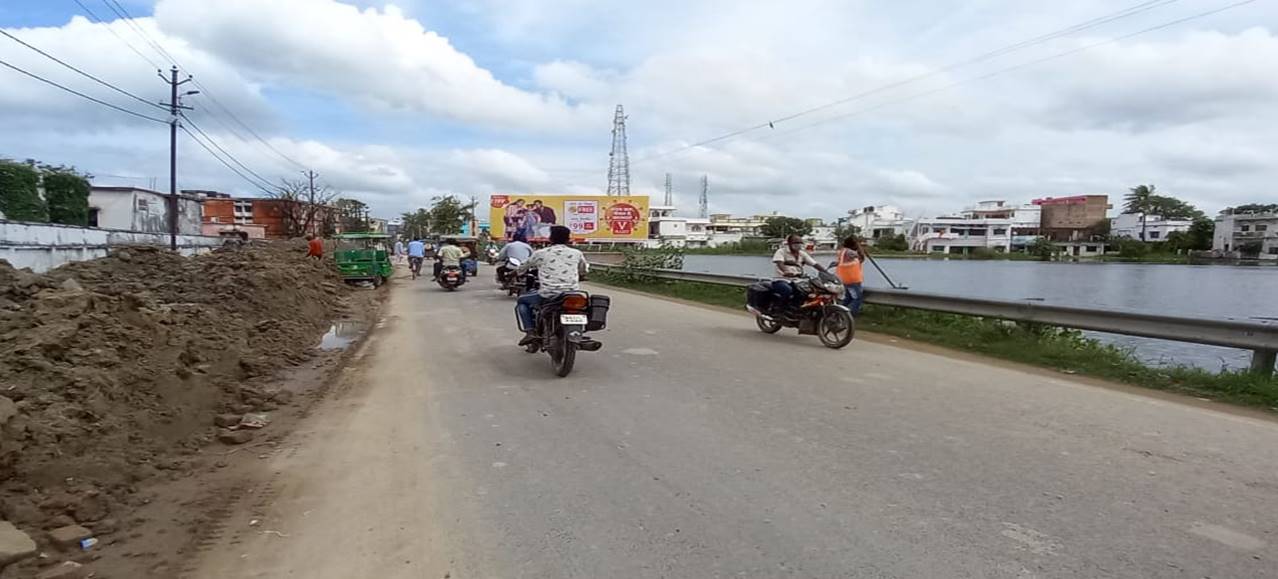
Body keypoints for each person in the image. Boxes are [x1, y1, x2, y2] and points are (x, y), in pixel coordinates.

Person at [514, 225, 589, 345]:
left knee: (522, 301)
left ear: (551, 238)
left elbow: (523, 267)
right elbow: (583, 270)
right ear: (568, 239)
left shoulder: (541, 253)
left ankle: (530, 332)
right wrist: (582, 275)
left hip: (548, 293)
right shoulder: (577, 253)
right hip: (572, 293)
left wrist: (515, 272)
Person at [770, 234, 827, 306]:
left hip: (797, 280)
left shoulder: (802, 254)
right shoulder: (781, 252)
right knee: (787, 290)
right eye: (796, 242)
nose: (798, 245)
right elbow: (779, 263)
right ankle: (780, 307)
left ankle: (798, 309)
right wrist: (786, 271)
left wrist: (826, 272)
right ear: (789, 243)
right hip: (781, 280)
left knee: (808, 291)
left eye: (800, 243)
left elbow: (814, 264)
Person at [835, 235, 866, 316]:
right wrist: (860, 247)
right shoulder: (850, 252)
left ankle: (838, 313)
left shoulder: (842, 251)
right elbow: (862, 258)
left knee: (848, 298)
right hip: (853, 279)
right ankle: (851, 315)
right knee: (857, 298)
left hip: (844, 279)